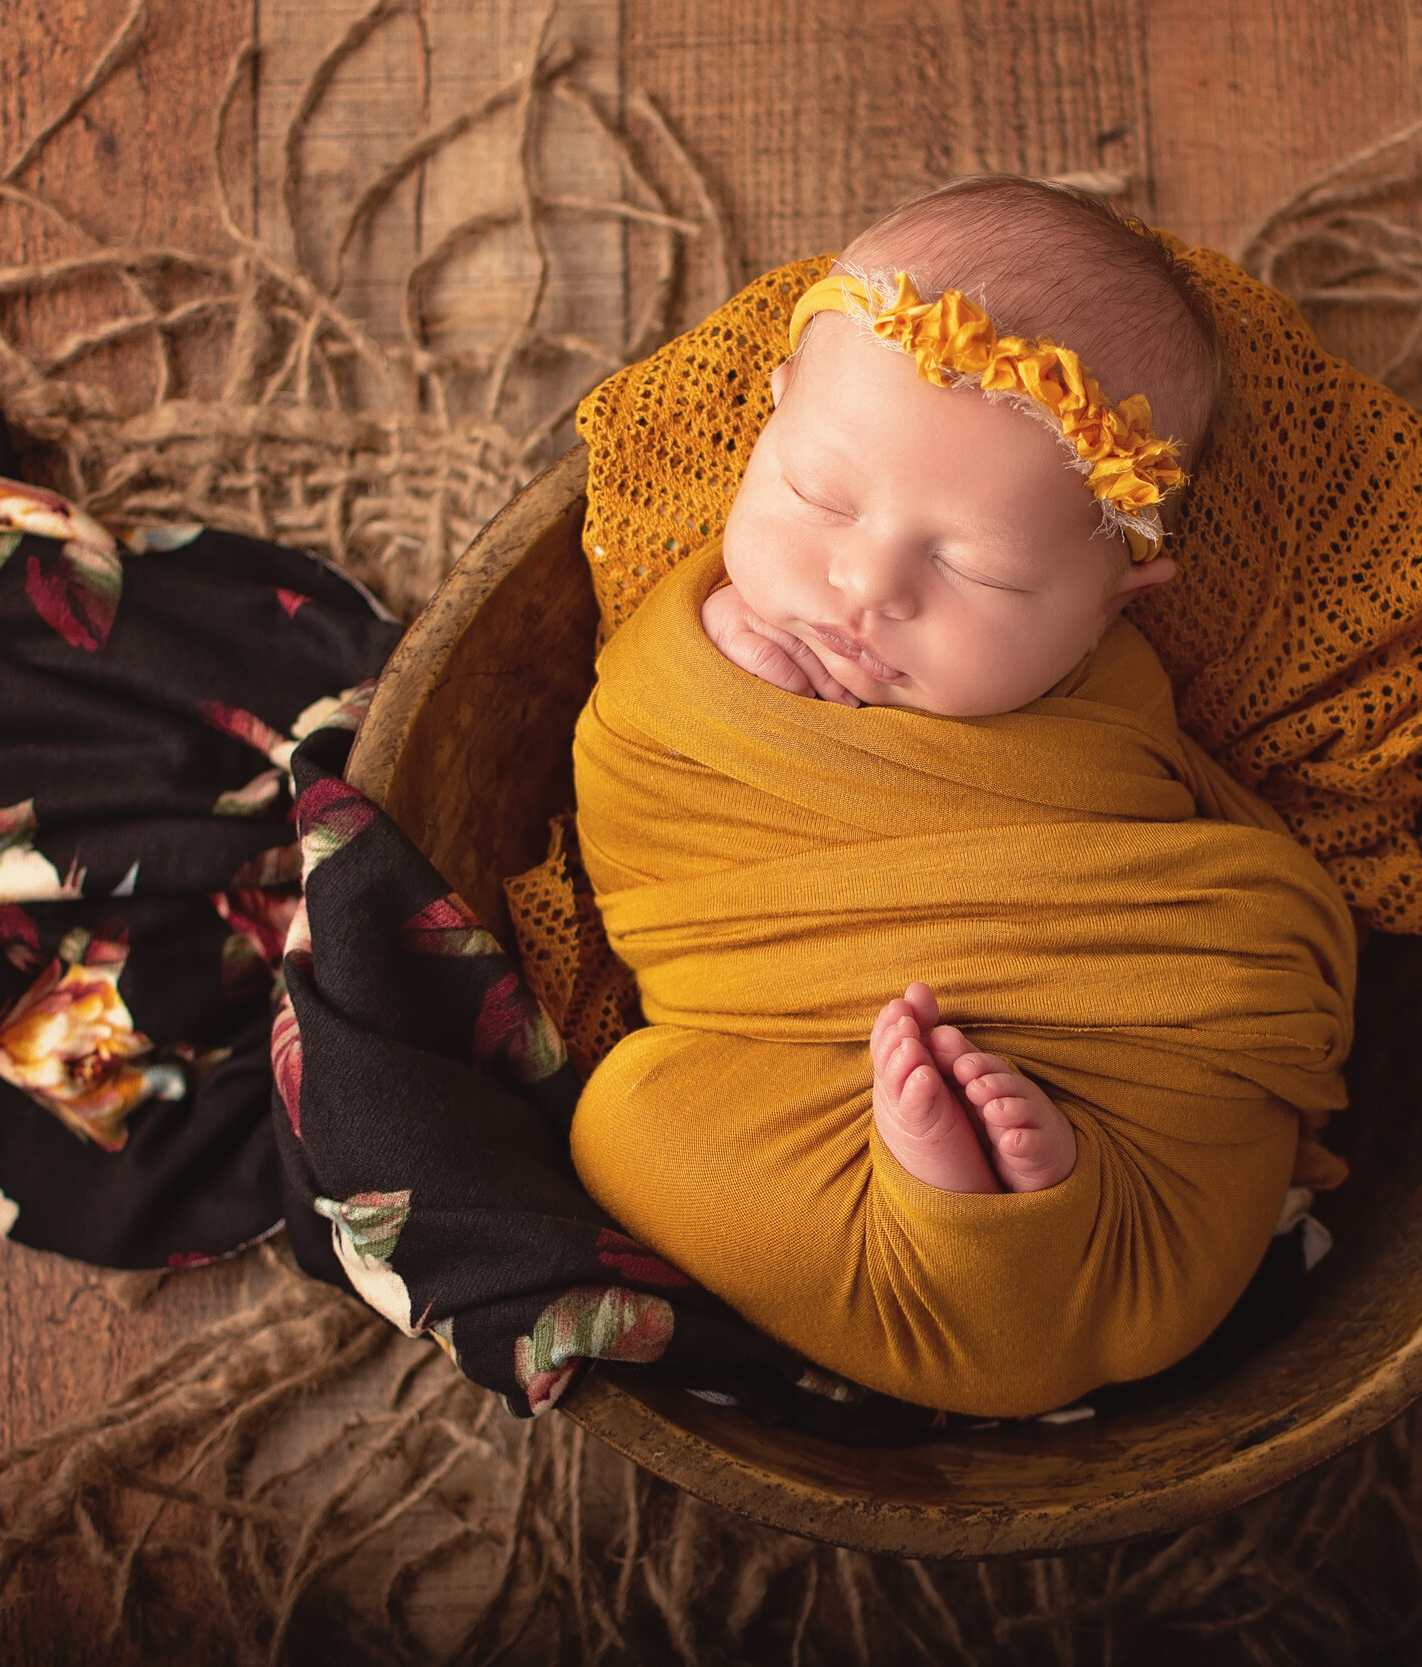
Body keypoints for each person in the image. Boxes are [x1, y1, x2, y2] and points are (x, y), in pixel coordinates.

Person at [562, 178, 1359, 1418]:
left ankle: (1024, 1206)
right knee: (626, 1122)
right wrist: (711, 686)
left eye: (974, 566)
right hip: (775, 1058)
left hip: (1120, 1059)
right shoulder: (715, 621)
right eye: (819, 495)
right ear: (765, 420)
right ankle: (980, 1233)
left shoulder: (1106, 696)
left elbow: (1159, 846)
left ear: (1112, 606)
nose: (862, 582)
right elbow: (637, 778)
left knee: (1204, 1172)